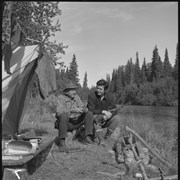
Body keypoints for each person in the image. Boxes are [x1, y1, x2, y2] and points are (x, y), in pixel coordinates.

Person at [55, 81, 94, 153]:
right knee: (63, 115)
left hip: (76, 122)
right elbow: (58, 113)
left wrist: (84, 109)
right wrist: (74, 110)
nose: (74, 92)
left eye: (75, 90)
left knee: (89, 113)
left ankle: (87, 137)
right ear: (66, 92)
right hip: (66, 123)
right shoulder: (61, 98)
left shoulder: (77, 97)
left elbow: (82, 106)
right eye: (72, 90)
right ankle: (62, 142)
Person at [87, 79, 122, 146]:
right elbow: (90, 110)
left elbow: (115, 109)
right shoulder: (91, 96)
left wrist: (109, 115)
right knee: (94, 117)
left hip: (105, 120)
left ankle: (106, 137)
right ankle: (101, 140)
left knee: (116, 118)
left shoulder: (110, 97)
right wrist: (103, 112)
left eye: (100, 89)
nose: (98, 90)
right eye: (97, 88)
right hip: (93, 121)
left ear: (105, 90)